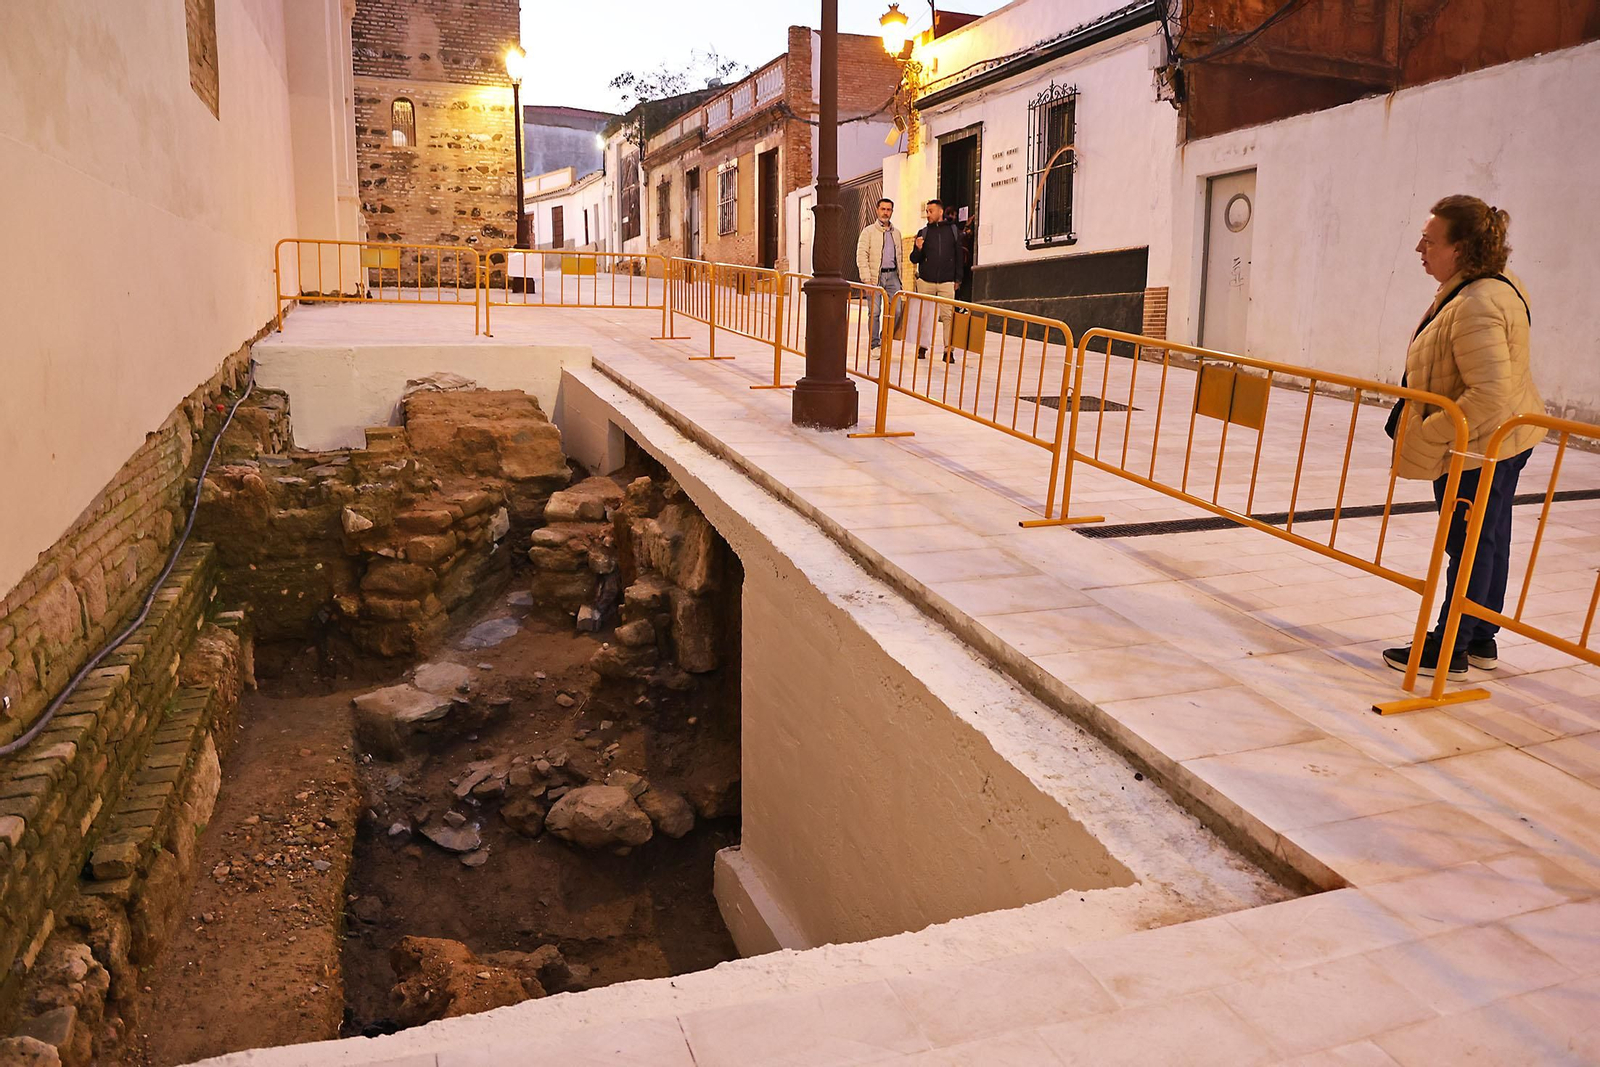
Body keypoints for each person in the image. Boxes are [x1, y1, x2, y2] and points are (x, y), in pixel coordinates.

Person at [1382, 195, 1545, 678]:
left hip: (1479, 444)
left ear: (1462, 248)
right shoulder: (1481, 287)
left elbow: (1489, 392)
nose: (1419, 248)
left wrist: (1433, 436)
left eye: (1430, 241)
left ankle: (1450, 646)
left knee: (1469, 542)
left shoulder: (1478, 302)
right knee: (1486, 538)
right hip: (1497, 439)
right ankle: (1479, 638)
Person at [909, 198, 964, 363]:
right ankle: (922, 347)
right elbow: (914, 259)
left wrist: (958, 278)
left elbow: (959, 256)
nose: (928, 214)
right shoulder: (923, 233)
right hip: (926, 280)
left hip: (947, 281)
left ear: (940, 212)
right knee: (926, 316)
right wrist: (918, 248)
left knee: (948, 316)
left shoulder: (953, 231)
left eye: (930, 211)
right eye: (927, 211)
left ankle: (948, 351)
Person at [855, 197, 904, 354]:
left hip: (893, 276)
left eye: (888, 209)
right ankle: (874, 344)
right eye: (883, 209)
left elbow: (900, 256)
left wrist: (900, 279)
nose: (885, 212)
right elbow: (862, 255)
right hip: (875, 277)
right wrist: (866, 279)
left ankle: (885, 338)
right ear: (877, 210)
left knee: (897, 311)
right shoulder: (868, 231)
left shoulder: (896, 233)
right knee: (874, 312)